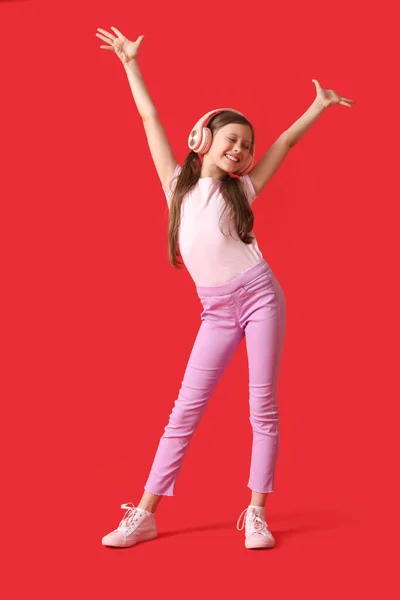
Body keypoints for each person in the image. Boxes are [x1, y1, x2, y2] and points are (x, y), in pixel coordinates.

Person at [95, 26, 355, 551]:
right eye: (232, 140)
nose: (241, 150)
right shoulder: (175, 186)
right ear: (202, 140)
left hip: (260, 297)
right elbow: (149, 117)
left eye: (246, 145)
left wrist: (318, 106)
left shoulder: (245, 189)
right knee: (184, 410)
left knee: (263, 406)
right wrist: (130, 64)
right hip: (214, 311)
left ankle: (256, 513)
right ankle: (144, 514)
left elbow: (284, 141)